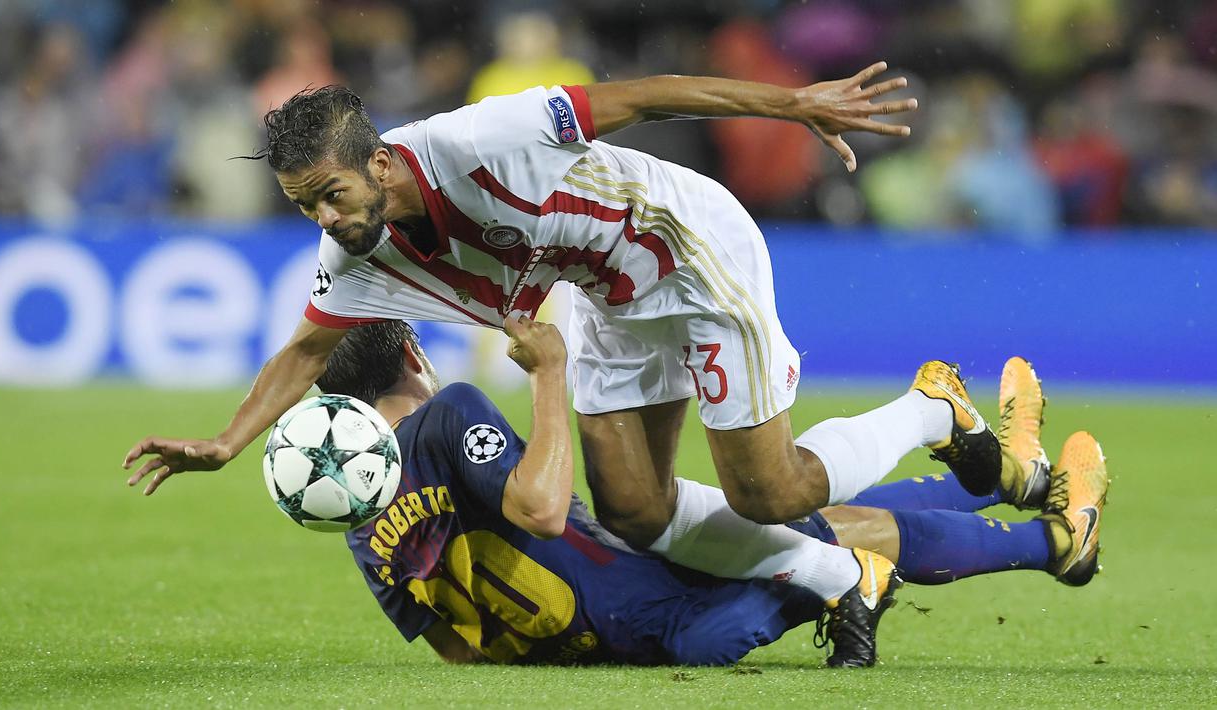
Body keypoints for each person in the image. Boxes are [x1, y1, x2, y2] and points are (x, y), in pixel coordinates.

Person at [123, 64, 1012, 649]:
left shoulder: (475, 139)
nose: (323, 219)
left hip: (688, 249)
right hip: (604, 297)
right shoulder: (356, 251)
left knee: (769, 491)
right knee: (631, 510)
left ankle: (934, 407)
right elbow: (307, 349)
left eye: (329, 195)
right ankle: (836, 577)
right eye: (302, 206)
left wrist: (794, 105)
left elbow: (642, 94)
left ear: (382, 167)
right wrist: (226, 442)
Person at [320, 319, 1107, 666]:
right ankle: (1006, 472)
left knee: (820, 532)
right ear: (412, 349)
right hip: (635, 585)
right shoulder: (451, 412)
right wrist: (549, 376)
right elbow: (543, 510)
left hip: (636, 574)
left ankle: (1050, 534)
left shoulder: (360, 523)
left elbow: (456, 649)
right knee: (817, 526)